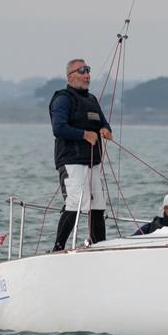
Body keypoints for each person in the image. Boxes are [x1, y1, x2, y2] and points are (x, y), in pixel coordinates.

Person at [50, 58, 113, 251]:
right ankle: (58, 247)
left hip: (92, 162)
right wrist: (84, 134)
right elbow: (58, 128)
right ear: (70, 76)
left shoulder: (91, 100)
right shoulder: (63, 99)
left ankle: (99, 246)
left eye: (88, 71)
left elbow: (103, 122)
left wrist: (105, 130)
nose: (87, 75)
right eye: (82, 71)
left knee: (98, 205)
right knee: (76, 203)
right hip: (71, 161)